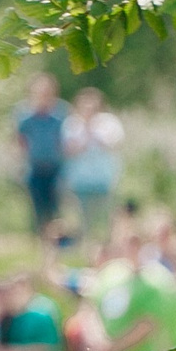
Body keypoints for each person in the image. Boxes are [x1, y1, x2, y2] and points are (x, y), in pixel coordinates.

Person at [61, 88, 123, 248]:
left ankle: (106, 245)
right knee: (81, 217)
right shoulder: (71, 124)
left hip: (103, 178)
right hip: (80, 179)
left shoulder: (109, 123)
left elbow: (113, 144)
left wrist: (93, 130)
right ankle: (84, 245)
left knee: (104, 217)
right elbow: (69, 149)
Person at [13, 75, 68, 243]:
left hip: (55, 166)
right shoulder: (24, 115)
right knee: (37, 207)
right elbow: (19, 140)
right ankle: (40, 240)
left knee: (55, 207)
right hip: (34, 166)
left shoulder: (61, 113)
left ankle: (55, 241)